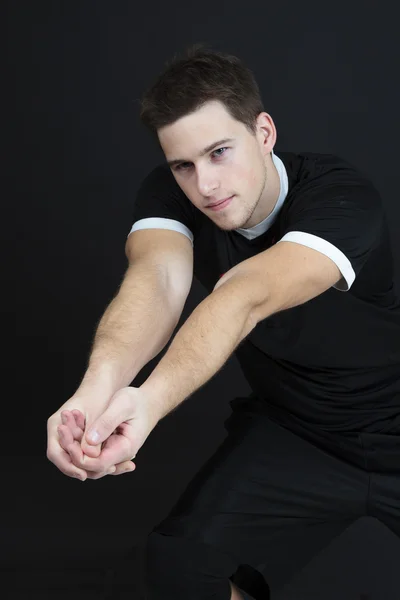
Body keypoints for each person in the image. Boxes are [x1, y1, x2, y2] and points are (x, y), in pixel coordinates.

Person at [47, 43, 400, 600]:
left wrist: (148, 404)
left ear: (264, 133)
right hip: (299, 433)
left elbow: (246, 298)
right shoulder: (173, 193)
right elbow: (156, 282)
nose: (204, 185)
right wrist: (95, 393)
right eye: (183, 165)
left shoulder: (340, 199)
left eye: (219, 153)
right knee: (181, 563)